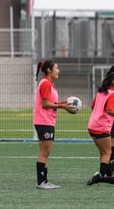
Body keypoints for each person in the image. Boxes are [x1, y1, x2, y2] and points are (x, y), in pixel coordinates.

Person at [33, 60, 76, 190]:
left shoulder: (49, 83)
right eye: (56, 68)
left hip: (47, 121)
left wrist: (64, 103)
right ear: (48, 71)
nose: (58, 71)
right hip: (43, 121)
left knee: (46, 152)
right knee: (44, 152)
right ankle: (41, 182)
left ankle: (44, 181)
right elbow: (45, 104)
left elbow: (51, 102)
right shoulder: (45, 83)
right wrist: (62, 106)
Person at [87, 72, 114, 183]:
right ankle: (100, 176)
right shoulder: (112, 94)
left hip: (92, 125)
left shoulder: (101, 92)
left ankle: (101, 174)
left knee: (103, 153)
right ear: (113, 81)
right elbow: (110, 110)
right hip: (101, 127)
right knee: (108, 153)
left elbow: (93, 106)